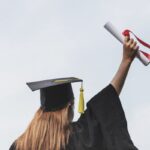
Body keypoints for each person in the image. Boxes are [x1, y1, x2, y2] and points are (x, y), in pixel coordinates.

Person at [9, 36, 139, 150]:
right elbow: (105, 104)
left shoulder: (20, 145)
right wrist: (126, 60)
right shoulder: (78, 137)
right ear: (69, 106)